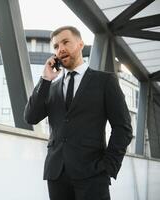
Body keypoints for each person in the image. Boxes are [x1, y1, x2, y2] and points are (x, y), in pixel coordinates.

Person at [24, 26, 133, 200]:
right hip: (57, 176)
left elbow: (123, 128)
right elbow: (30, 117)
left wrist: (108, 166)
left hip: (93, 176)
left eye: (66, 42)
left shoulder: (105, 81)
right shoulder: (50, 88)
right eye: (56, 46)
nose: (61, 49)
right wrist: (45, 79)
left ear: (81, 44)